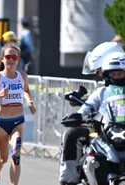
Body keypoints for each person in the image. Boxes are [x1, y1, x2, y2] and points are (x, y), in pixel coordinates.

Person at [59, 42, 124, 185]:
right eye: (113, 73)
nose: (98, 73)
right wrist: (79, 116)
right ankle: (69, 179)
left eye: (120, 72)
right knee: (71, 133)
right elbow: (86, 109)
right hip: (101, 131)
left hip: (120, 130)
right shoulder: (101, 91)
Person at [0, 43, 36, 185]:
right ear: (2, 59)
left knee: (16, 154)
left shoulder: (22, 76)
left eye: (14, 57)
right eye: (8, 56)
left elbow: (26, 90)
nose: (11, 59)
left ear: (18, 59)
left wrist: (29, 102)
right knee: (3, 158)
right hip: (2, 123)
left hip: (18, 122)